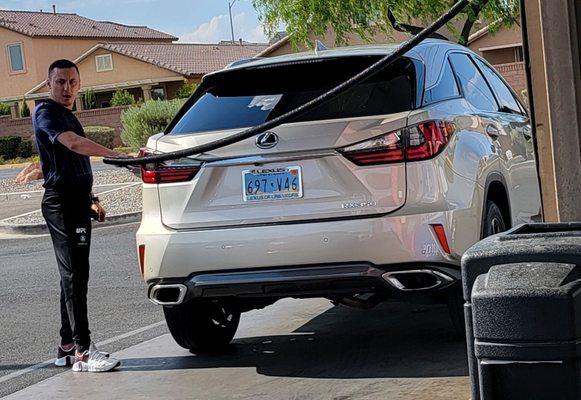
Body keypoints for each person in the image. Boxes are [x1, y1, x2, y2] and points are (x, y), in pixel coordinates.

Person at [33, 59, 127, 372]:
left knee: (73, 275)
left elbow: (72, 164)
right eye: (60, 82)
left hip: (76, 203)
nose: (67, 88)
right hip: (60, 205)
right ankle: (84, 350)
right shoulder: (46, 112)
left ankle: (66, 346)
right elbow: (73, 145)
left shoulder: (69, 115)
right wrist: (114, 153)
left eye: (72, 82)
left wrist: (91, 199)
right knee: (75, 275)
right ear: (49, 84)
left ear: (79, 85)